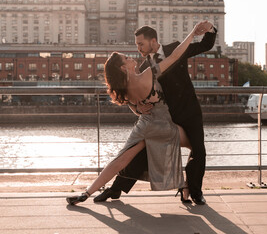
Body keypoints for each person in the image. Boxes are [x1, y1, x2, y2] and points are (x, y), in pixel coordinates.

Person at [66, 22, 208, 205]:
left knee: (119, 161)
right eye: (127, 58)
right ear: (124, 68)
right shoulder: (148, 74)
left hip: (143, 126)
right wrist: (192, 34)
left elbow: (131, 104)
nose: (132, 56)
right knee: (197, 149)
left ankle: (86, 193)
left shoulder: (124, 88)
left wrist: (138, 109)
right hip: (163, 127)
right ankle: (187, 187)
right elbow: (173, 57)